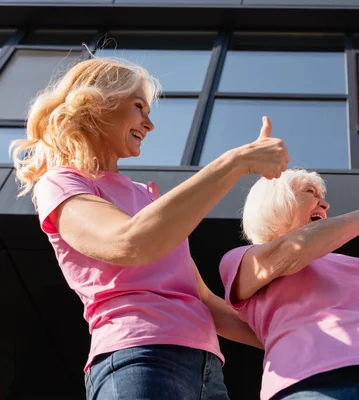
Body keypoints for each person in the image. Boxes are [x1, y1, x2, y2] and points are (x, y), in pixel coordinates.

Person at [11, 57, 289, 400]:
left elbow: (203, 301)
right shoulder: (62, 183)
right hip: (137, 357)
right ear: (97, 103)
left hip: (208, 372)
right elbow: (129, 243)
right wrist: (235, 162)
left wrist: (300, 333)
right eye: (139, 106)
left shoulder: (145, 197)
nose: (150, 124)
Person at [219, 168, 359, 400]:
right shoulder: (242, 258)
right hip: (311, 381)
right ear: (276, 202)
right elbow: (292, 251)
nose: (325, 204)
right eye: (311, 192)